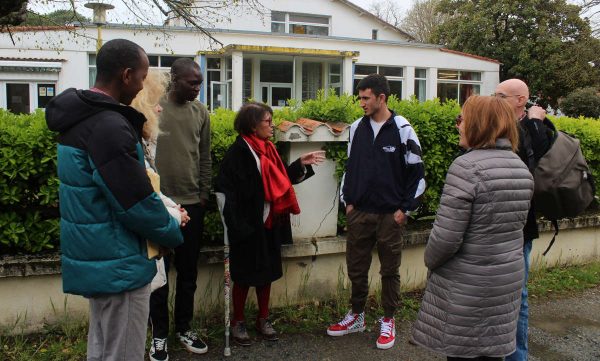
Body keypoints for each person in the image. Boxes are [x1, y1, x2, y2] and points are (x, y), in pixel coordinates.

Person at [45, 39, 184, 361]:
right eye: (141, 76)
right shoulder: (109, 125)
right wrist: (171, 230)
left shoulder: (81, 118)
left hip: (101, 257)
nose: (141, 86)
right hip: (119, 261)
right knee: (123, 352)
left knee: (104, 349)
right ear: (126, 75)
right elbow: (134, 203)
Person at [411, 95, 534, 361]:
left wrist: (430, 261)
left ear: (478, 124)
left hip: (468, 284)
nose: (458, 125)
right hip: (506, 280)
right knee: (492, 353)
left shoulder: (466, 166)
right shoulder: (521, 167)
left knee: (463, 353)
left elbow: (446, 238)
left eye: (462, 119)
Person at [328, 73, 426, 350]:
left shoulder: (403, 129)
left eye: (365, 98)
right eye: (359, 97)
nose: (361, 103)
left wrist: (404, 209)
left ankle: (388, 319)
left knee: (389, 271)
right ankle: (356, 316)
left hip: (389, 216)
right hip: (359, 212)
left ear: (382, 98)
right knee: (356, 269)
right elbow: (350, 168)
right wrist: (348, 202)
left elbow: (417, 174)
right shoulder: (356, 128)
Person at [216, 102, 325, 346]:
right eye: (267, 121)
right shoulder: (238, 153)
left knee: (267, 273)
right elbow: (225, 192)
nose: (272, 125)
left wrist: (300, 164)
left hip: (269, 222)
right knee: (244, 275)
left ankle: (263, 319)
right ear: (253, 126)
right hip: (247, 226)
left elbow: (279, 181)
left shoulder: (269, 150)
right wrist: (238, 228)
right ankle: (239, 322)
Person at [149, 58, 211, 360]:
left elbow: (205, 155)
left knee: (188, 273)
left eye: (199, 82)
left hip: (192, 204)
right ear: (174, 80)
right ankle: (158, 335)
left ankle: (184, 328)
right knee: (158, 275)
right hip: (159, 205)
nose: (197, 88)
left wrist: (202, 195)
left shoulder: (201, 112)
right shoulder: (154, 106)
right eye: (192, 82)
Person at [494, 79, 552, 361]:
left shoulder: (534, 127)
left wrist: (535, 122)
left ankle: (517, 356)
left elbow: (539, 157)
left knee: (518, 296)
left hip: (521, 227)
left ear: (520, 100)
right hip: (495, 226)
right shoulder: (498, 126)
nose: (495, 100)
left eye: (500, 95)